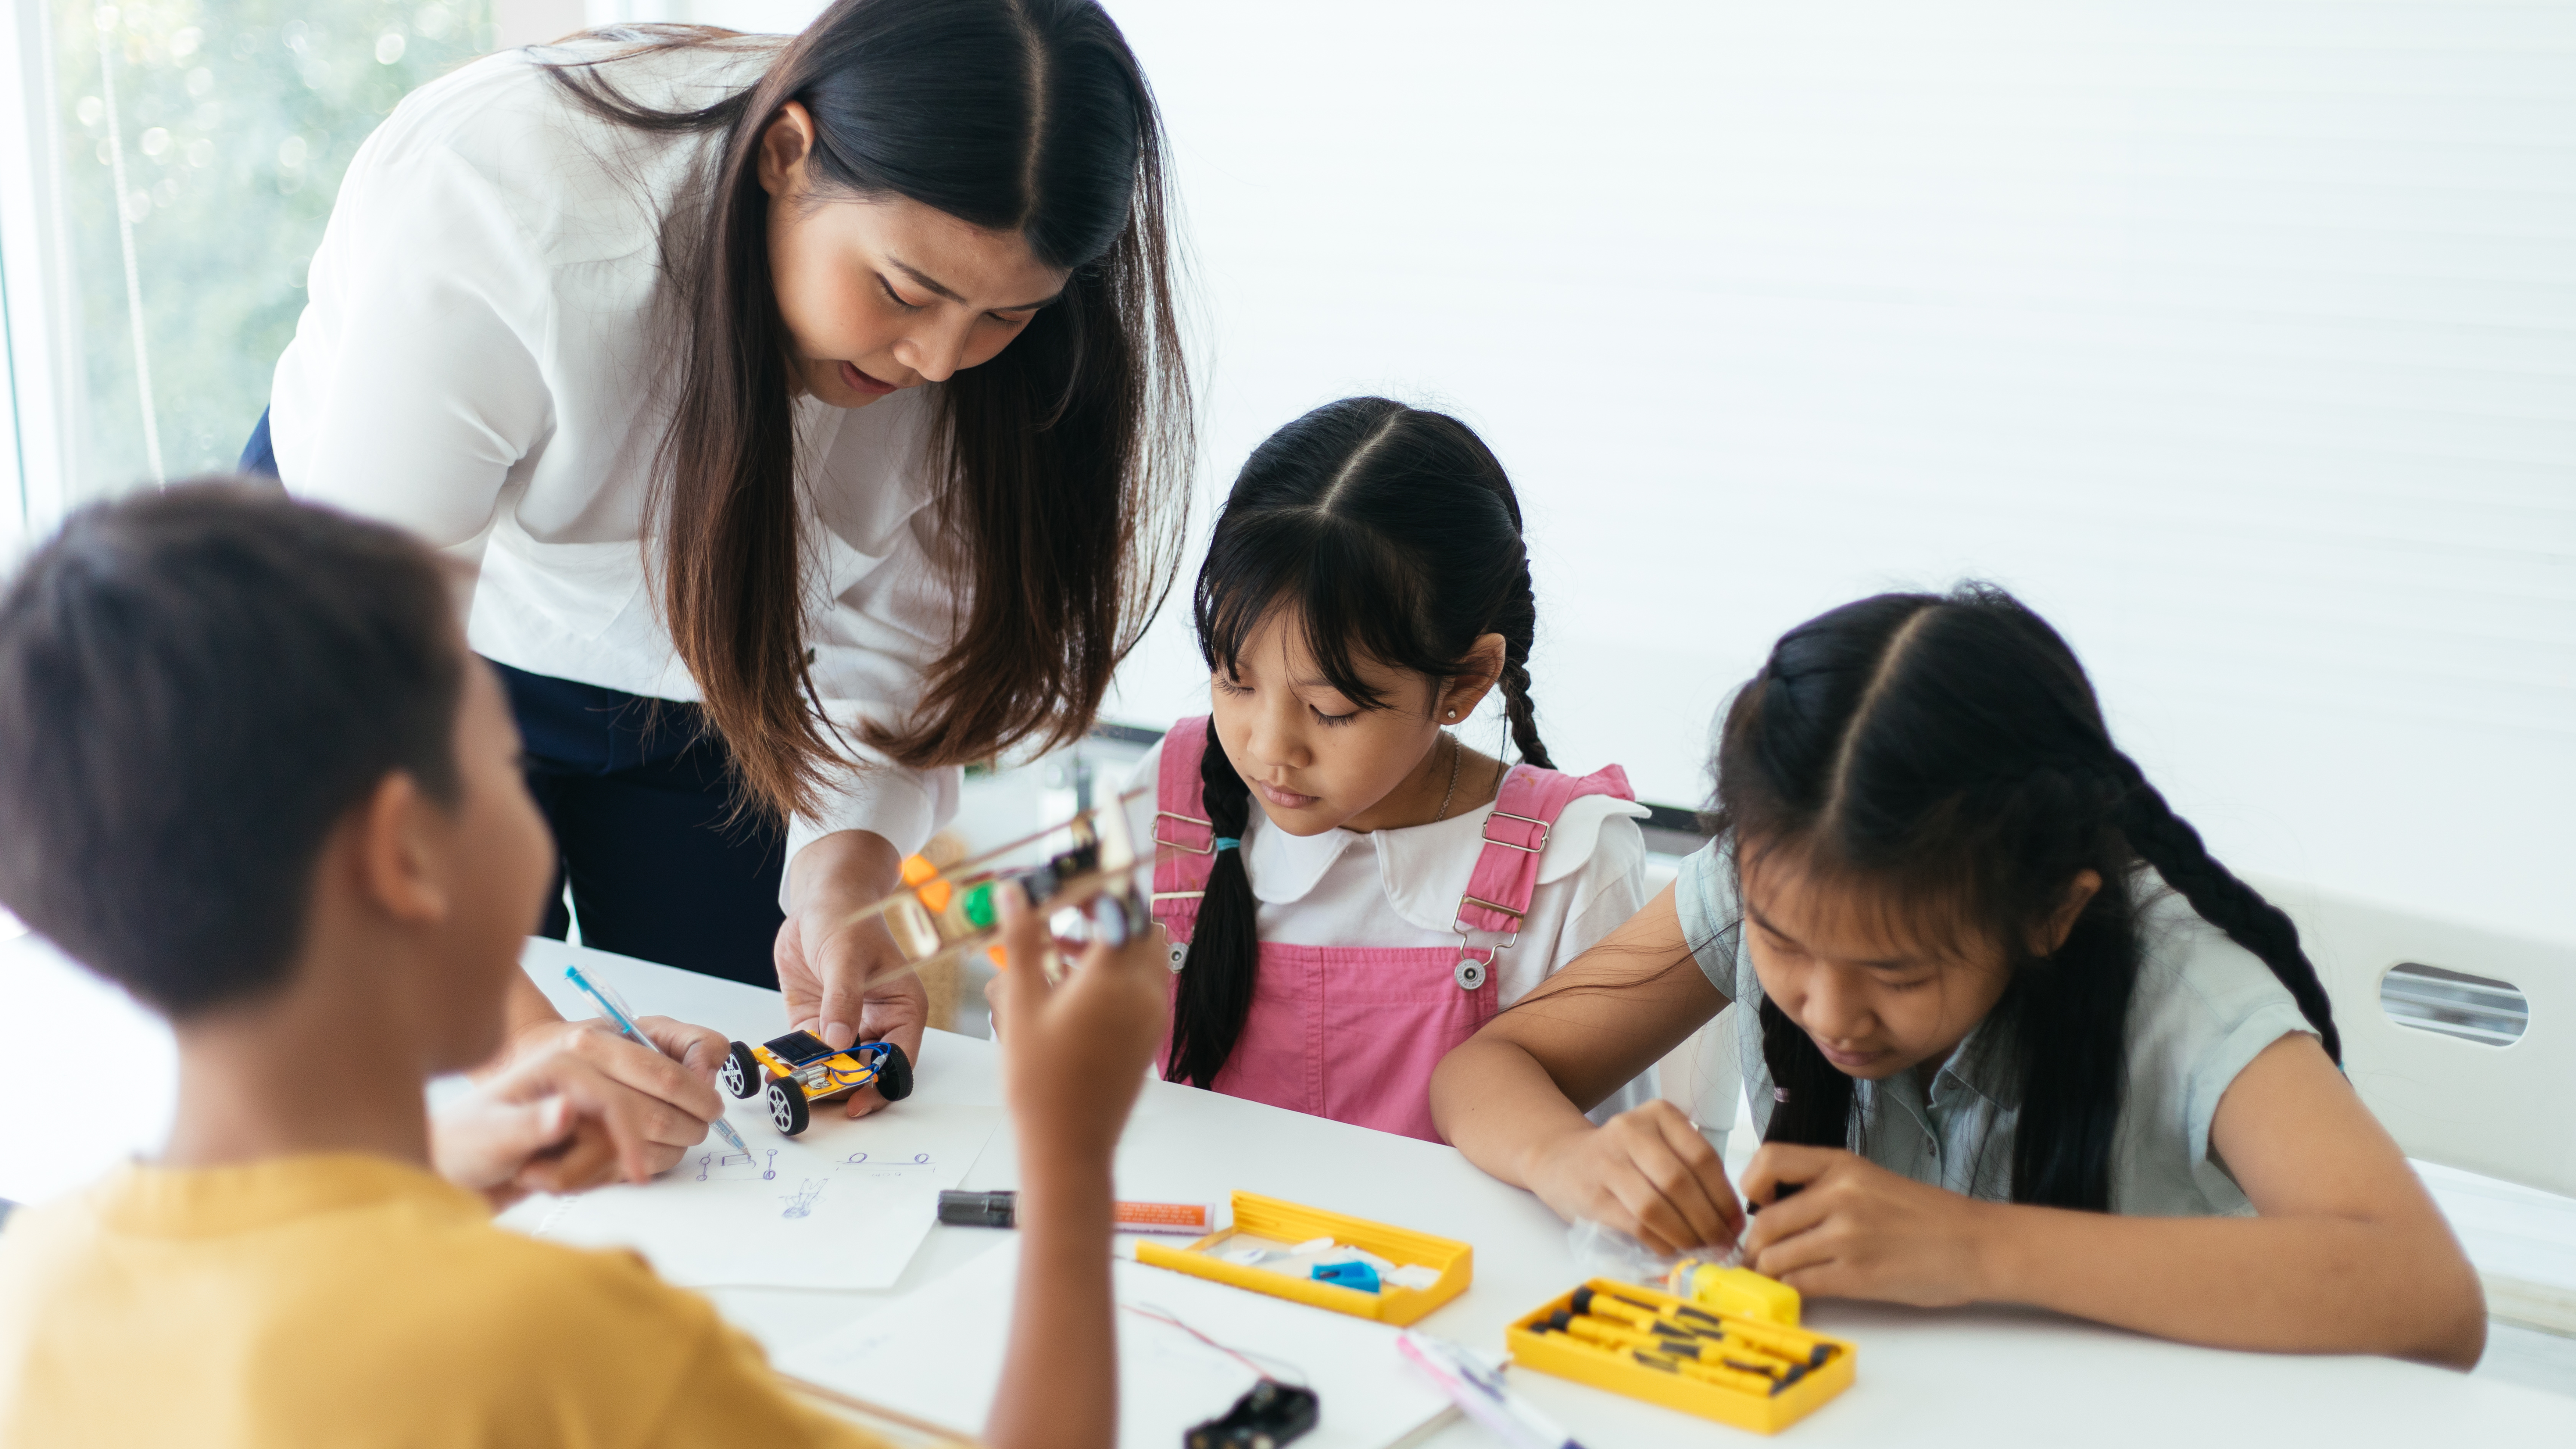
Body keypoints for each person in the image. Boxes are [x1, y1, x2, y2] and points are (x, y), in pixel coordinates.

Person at [0, 485, 1171, 1447]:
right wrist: (1069, 1152)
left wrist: (432, 1175)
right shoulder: (568, 1346)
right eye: (509, 764)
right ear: (406, 851)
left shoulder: (35, 1283)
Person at [250, 0, 1193, 1155]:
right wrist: (516, 1036)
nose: (940, 360)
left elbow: (904, 642)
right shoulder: (509, 205)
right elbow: (359, 691)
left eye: (1004, 314)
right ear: (788, 156)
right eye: (903, 291)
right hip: (397, 637)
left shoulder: (1004, 360)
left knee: (726, 1089)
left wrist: (845, 876)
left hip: (727, 669)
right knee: (424, 1074)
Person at [1430, 585, 2486, 1364]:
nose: (1831, 1009)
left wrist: (1979, 1250)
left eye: (1897, 970)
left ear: (2050, 912)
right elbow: (1488, 1067)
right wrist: (1574, 1160)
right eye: (1786, 945)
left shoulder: (2180, 991)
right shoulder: (1763, 874)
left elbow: (2430, 1294)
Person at [1128, 398, 1650, 1142]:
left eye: (1333, 707)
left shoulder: (1573, 866)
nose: (1272, 747)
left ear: (1466, 681)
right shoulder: (1168, 796)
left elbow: (1609, 1181)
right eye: (1234, 681)